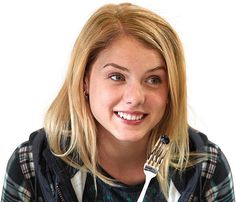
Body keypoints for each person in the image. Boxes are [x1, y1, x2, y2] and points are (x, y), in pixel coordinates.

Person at [1, 3, 235, 202]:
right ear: (84, 80)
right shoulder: (31, 165)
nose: (135, 97)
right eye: (117, 77)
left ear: (171, 90)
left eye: (154, 79)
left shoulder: (206, 168)